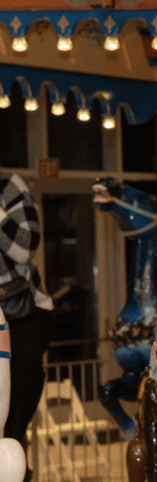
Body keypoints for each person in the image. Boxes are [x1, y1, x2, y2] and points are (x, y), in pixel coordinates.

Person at [0, 172, 55, 451]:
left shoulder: (8, 186)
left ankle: (12, 457)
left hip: (22, 311)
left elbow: (24, 249)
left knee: (20, 384)